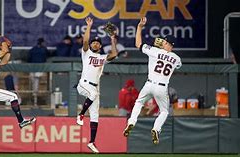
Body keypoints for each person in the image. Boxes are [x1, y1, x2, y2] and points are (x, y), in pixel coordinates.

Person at [123, 17, 182, 145]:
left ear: (166, 43)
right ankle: (156, 129)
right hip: (162, 87)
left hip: (149, 84)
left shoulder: (154, 51)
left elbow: (138, 44)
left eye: (164, 41)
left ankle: (132, 122)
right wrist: (166, 50)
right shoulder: (176, 58)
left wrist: (139, 27)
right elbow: (177, 65)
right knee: (164, 111)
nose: (162, 42)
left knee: (139, 103)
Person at [0, 37, 36, 157]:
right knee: (13, 96)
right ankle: (21, 121)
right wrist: (2, 39)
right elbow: (2, 52)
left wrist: (9, 48)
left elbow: (5, 61)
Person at [75, 17, 118, 153]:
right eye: (93, 42)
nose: (94, 44)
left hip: (95, 87)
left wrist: (112, 39)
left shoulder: (102, 58)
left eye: (97, 43)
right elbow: (85, 41)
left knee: (95, 115)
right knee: (93, 94)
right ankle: (81, 114)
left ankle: (92, 142)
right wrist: (89, 26)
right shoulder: (86, 54)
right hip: (83, 85)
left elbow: (114, 55)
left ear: (100, 46)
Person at [28, 38, 49, 106]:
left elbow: (29, 59)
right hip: (38, 70)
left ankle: (35, 100)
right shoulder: (42, 49)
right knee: (35, 84)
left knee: (35, 84)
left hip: (36, 70)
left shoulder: (33, 49)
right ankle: (35, 100)